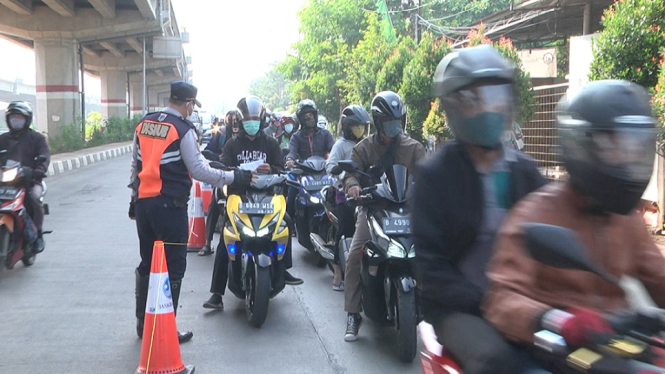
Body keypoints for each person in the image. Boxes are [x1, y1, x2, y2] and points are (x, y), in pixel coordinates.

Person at [483, 81, 665, 368]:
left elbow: (659, 276)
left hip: (617, 344)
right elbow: (501, 300)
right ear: (580, 145)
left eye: (634, 148)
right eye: (613, 147)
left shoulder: (628, 219)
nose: (626, 158)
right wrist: (559, 320)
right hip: (555, 348)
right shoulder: (533, 214)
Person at [412, 45, 547, 374]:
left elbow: (556, 231)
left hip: (522, 300)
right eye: (476, 100)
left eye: (497, 96)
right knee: (497, 361)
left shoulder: (524, 171)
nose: (491, 108)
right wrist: (486, 300)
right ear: (454, 107)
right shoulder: (434, 176)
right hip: (458, 308)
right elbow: (430, 270)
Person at [129, 81, 253, 343]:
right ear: (187, 104)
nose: (192, 111)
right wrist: (233, 177)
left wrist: (133, 199)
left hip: (143, 207)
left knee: (147, 262)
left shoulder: (144, 123)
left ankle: (143, 323)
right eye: (192, 106)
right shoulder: (182, 129)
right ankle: (164, 328)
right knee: (173, 266)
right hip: (170, 208)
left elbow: (135, 165)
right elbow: (198, 170)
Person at [203, 96, 303, 310]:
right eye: (247, 119)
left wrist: (272, 170)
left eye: (255, 119)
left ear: (262, 120)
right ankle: (217, 293)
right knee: (226, 239)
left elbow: (281, 168)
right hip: (239, 198)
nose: (251, 123)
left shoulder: (270, 143)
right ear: (239, 121)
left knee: (285, 223)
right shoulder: (231, 145)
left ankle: (283, 267)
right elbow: (223, 168)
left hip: (267, 196)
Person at [342, 91, 426, 341]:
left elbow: (428, 176)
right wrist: (353, 186)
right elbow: (350, 173)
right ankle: (352, 313)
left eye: (398, 121)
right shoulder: (363, 148)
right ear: (378, 123)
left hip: (408, 212)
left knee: (432, 249)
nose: (394, 126)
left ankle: (436, 307)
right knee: (356, 253)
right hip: (374, 211)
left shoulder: (414, 148)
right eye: (389, 121)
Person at [325, 105, 370, 291]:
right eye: (356, 126)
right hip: (344, 196)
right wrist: (345, 176)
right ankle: (337, 271)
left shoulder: (367, 144)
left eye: (362, 126)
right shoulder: (341, 145)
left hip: (366, 194)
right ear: (347, 126)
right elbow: (330, 166)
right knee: (345, 230)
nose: (359, 129)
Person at [0, 101, 50, 254]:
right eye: (13, 117)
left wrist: (37, 171)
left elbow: (44, 158)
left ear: (27, 120)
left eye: (19, 117)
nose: (16, 120)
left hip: (29, 181)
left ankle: (38, 234)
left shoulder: (37, 139)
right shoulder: (2, 139)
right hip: (4, 183)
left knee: (34, 199)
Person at [198, 109, 241, 256]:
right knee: (214, 203)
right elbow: (209, 149)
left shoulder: (249, 137)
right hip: (225, 175)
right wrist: (218, 159)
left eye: (238, 120)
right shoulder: (221, 134)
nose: (235, 124)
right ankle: (207, 243)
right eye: (233, 120)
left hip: (245, 178)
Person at [285, 99, 335, 218]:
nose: (309, 118)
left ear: (315, 116)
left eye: (311, 115)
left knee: (338, 196)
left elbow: (334, 150)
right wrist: (290, 160)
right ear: (301, 119)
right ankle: (292, 224)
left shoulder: (325, 134)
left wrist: (336, 159)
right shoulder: (296, 137)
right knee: (291, 196)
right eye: (305, 116)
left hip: (324, 174)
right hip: (303, 174)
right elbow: (291, 151)